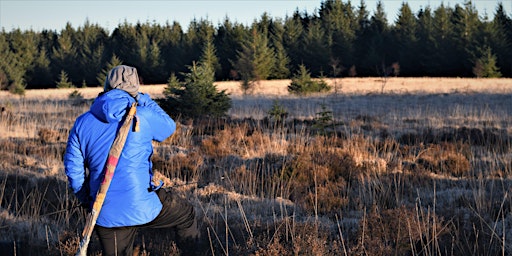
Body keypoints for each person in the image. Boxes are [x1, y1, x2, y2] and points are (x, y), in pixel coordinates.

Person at [64, 65, 200, 255]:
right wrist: (143, 98)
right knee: (186, 215)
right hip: (143, 203)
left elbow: (73, 170)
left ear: (107, 85)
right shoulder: (142, 115)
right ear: (134, 88)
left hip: (104, 208)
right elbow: (169, 127)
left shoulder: (82, 122)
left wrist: (87, 200)